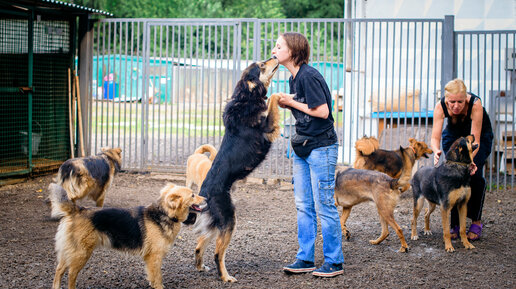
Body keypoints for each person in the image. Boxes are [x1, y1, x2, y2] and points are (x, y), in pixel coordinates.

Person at [272, 32, 344, 277]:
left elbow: (322, 111)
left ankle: (334, 262)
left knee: (324, 205)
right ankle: (305, 259)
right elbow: (305, 101)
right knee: (304, 205)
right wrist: (287, 99)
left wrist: (291, 103)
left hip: (321, 148)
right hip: (302, 147)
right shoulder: (296, 78)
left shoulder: (309, 75)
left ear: (292, 51)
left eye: (279, 45)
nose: (275, 49)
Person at [431, 78, 494, 241]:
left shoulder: (475, 104)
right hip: (453, 135)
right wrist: (436, 150)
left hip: (478, 138)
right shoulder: (440, 106)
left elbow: (476, 140)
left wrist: (471, 161)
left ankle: (476, 221)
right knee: (452, 176)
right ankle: (455, 224)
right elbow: (434, 137)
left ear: (465, 98)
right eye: (452, 102)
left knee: (475, 174)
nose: (456, 106)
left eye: (460, 101)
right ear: (446, 99)